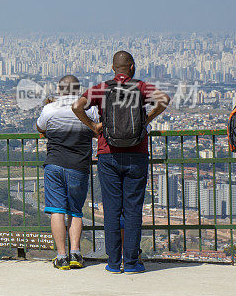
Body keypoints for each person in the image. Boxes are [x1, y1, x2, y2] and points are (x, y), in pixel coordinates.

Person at [72, 51, 169, 274]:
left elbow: (77, 106)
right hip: (137, 154)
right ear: (132, 67)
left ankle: (114, 263)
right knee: (133, 210)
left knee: (112, 210)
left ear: (113, 68)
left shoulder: (101, 88)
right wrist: (147, 119)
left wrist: (93, 126)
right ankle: (132, 262)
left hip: (108, 154)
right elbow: (164, 100)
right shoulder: (141, 87)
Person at [36, 75, 98, 270]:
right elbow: (97, 129)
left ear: (59, 89)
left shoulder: (49, 109)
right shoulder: (89, 109)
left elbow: (40, 127)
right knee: (75, 211)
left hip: (54, 163)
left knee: (56, 210)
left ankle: (61, 256)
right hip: (79, 165)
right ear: (78, 90)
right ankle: (76, 254)